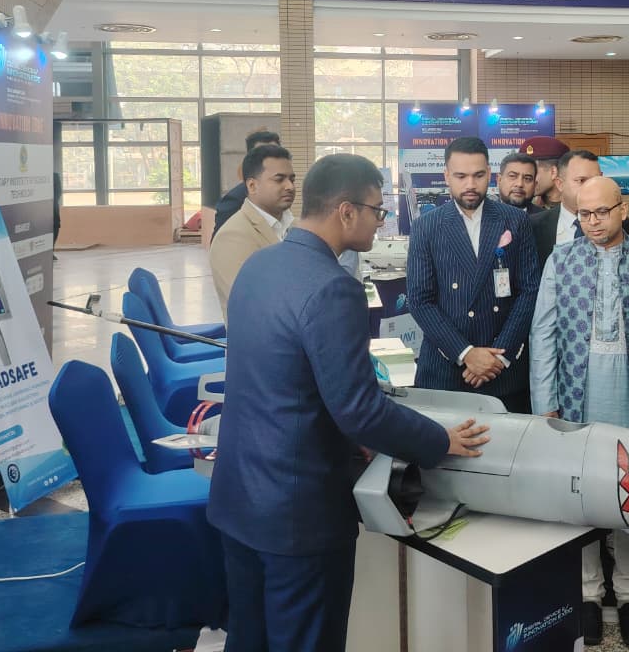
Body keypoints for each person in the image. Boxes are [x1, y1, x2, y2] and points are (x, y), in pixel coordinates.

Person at [207, 154, 490, 652]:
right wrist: (439, 440)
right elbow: (358, 410)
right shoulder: (334, 287)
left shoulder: (259, 264)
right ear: (345, 211)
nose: (381, 222)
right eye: (377, 211)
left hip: (239, 497)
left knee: (250, 638)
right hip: (298, 513)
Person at [530, 176, 629, 647]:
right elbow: (543, 333)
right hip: (576, 394)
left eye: (601, 212)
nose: (592, 222)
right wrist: (545, 402)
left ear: (623, 210)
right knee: (580, 493)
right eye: (584, 214)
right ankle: (587, 591)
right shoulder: (561, 259)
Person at [407, 137, 540, 412]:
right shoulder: (426, 227)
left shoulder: (515, 220)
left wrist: (499, 356)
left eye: (478, 175)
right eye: (461, 176)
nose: (470, 184)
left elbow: (529, 291)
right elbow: (420, 300)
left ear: (489, 174)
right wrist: (466, 353)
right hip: (445, 371)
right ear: (446, 176)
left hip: (503, 371)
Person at [209, 143, 297, 318]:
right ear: (252, 186)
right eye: (279, 179)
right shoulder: (233, 236)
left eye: (292, 179)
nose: (290, 186)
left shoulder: (295, 226)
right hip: (264, 334)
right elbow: (251, 304)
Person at [531, 149, 602, 269]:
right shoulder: (534, 225)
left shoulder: (618, 223)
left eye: (596, 180)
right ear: (560, 184)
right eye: (581, 180)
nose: (591, 187)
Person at [213, 128, 282, 237]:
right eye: (262, 156)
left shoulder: (283, 193)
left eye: (275, 155)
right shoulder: (235, 201)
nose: (270, 161)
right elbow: (220, 243)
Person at [519, 135, 568, 211]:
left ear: (553, 172)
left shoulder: (579, 209)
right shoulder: (526, 207)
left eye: (531, 173)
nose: (521, 182)